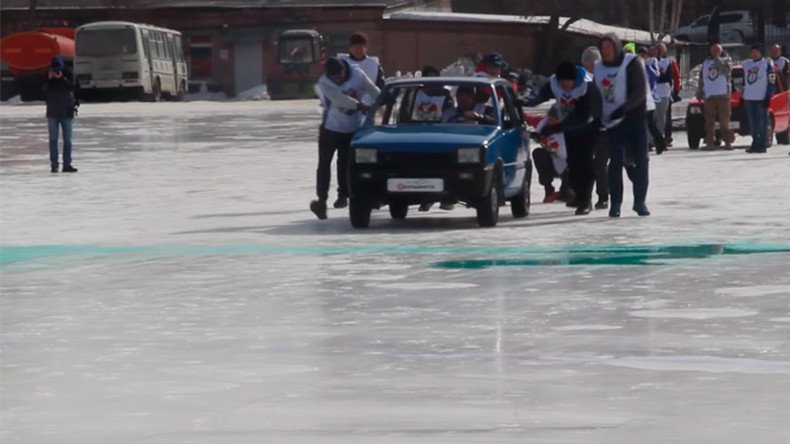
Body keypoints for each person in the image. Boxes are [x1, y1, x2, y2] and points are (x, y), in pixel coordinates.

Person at [526, 60, 602, 215]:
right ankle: (576, 195)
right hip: (567, 127)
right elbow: (541, 95)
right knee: (573, 164)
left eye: (567, 83)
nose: (564, 87)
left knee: (584, 164)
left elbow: (582, 116)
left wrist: (554, 128)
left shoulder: (587, 86)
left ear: (574, 80)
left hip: (586, 126)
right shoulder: (555, 82)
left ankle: (585, 201)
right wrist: (527, 101)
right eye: (561, 83)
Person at [310, 57, 381, 220]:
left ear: (344, 70)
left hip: (352, 129)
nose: (338, 79)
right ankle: (322, 201)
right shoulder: (324, 82)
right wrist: (360, 106)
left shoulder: (357, 73)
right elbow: (339, 99)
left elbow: (371, 88)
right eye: (334, 77)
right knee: (324, 164)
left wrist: (383, 98)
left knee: (345, 163)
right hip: (330, 129)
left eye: (340, 75)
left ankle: (343, 195)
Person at [594, 33, 650, 217]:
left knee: (641, 161)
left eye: (609, 47)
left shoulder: (632, 62)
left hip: (635, 119)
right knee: (615, 163)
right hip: (612, 123)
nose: (606, 51)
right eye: (603, 48)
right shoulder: (598, 68)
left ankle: (639, 201)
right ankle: (615, 203)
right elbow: (595, 94)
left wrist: (624, 109)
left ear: (617, 47)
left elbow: (640, 91)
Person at [581, 46, 609, 209]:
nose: (590, 69)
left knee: (600, 164)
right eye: (587, 67)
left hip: (605, 128)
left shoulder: (606, 79)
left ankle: (603, 195)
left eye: (591, 66)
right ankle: (586, 198)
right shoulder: (585, 82)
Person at [43, 56, 78, 173]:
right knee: (53, 139)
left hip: (67, 112)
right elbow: (42, 91)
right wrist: (49, 79)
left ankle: (67, 164)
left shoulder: (68, 74)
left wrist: (61, 78)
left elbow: (73, 87)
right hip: (53, 112)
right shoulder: (48, 76)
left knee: (67, 140)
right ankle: (54, 165)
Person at [697, 43, 734, 150]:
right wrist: (700, 90)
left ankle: (727, 142)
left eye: (717, 50)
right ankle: (710, 143)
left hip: (723, 96)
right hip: (709, 96)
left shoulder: (727, 60)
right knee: (709, 122)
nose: (715, 52)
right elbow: (702, 77)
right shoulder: (706, 62)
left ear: (721, 51)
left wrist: (718, 59)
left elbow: (726, 72)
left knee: (724, 122)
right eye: (713, 50)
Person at [532, 104, 572, 203]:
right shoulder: (545, 125)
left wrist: (549, 145)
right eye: (549, 119)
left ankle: (565, 191)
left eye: (554, 120)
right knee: (538, 153)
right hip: (554, 162)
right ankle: (548, 189)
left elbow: (564, 153)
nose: (551, 122)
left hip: (570, 166)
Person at [742, 44, 776, 154]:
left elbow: (772, 81)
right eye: (752, 52)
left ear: (761, 53)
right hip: (749, 98)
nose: (754, 54)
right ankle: (755, 142)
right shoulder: (747, 65)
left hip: (761, 98)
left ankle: (762, 143)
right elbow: (744, 81)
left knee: (762, 122)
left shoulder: (766, 64)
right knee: (752, 123)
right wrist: (743, 95)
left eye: (756, 52)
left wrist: (768, 96)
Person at [638, 46, 667, 155]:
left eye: (643, 55)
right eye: (640, 55)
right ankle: (643, 145)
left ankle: (660, 143)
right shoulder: (636, 66)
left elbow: (655, 76)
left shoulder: (651, 63)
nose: (642, 57)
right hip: (638, 99)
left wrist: (646, 66)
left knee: (651, 124)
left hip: (649, 98)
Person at [654, 43, 675, 151]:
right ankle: (653, 140)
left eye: (661, 49)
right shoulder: (652, 61)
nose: (659, 51)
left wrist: (675, 90)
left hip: (665, 92)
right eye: (658, 49)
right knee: (653, 117)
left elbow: (668, 77)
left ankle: (664, 139)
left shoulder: (668, 62)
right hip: (654, 92)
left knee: (664, 117)